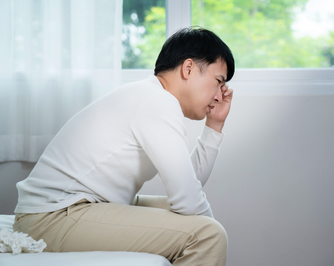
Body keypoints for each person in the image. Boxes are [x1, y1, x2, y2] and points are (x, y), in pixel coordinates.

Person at [13, 27, 235, 266]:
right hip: (51, 217)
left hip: (75, 208)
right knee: (208, 235)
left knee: (199, 224)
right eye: (218, 82)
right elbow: (189, 201)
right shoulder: (157, 101)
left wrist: (215, 124)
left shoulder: (151, 96)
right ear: (188, 68)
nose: (217, 96)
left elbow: (189, 185)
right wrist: (208, 233)